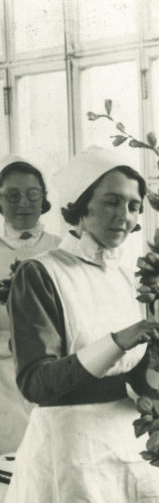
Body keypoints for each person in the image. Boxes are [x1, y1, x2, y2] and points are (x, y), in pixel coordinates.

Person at [0, 147, 159, 503]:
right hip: (71, 458)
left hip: (130, 452)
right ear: (81, 205)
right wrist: (119, 341)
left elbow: (136, 383)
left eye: (133, 205)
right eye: (110, 201)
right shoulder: (41, 274)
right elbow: (37, 383)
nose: (124, 215)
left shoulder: (124, 277)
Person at [0, 155, 61, 454]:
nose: (22, 203)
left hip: (51, 369)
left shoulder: (61, 248)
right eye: (12, 195)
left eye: (32, 194)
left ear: (43, 199)